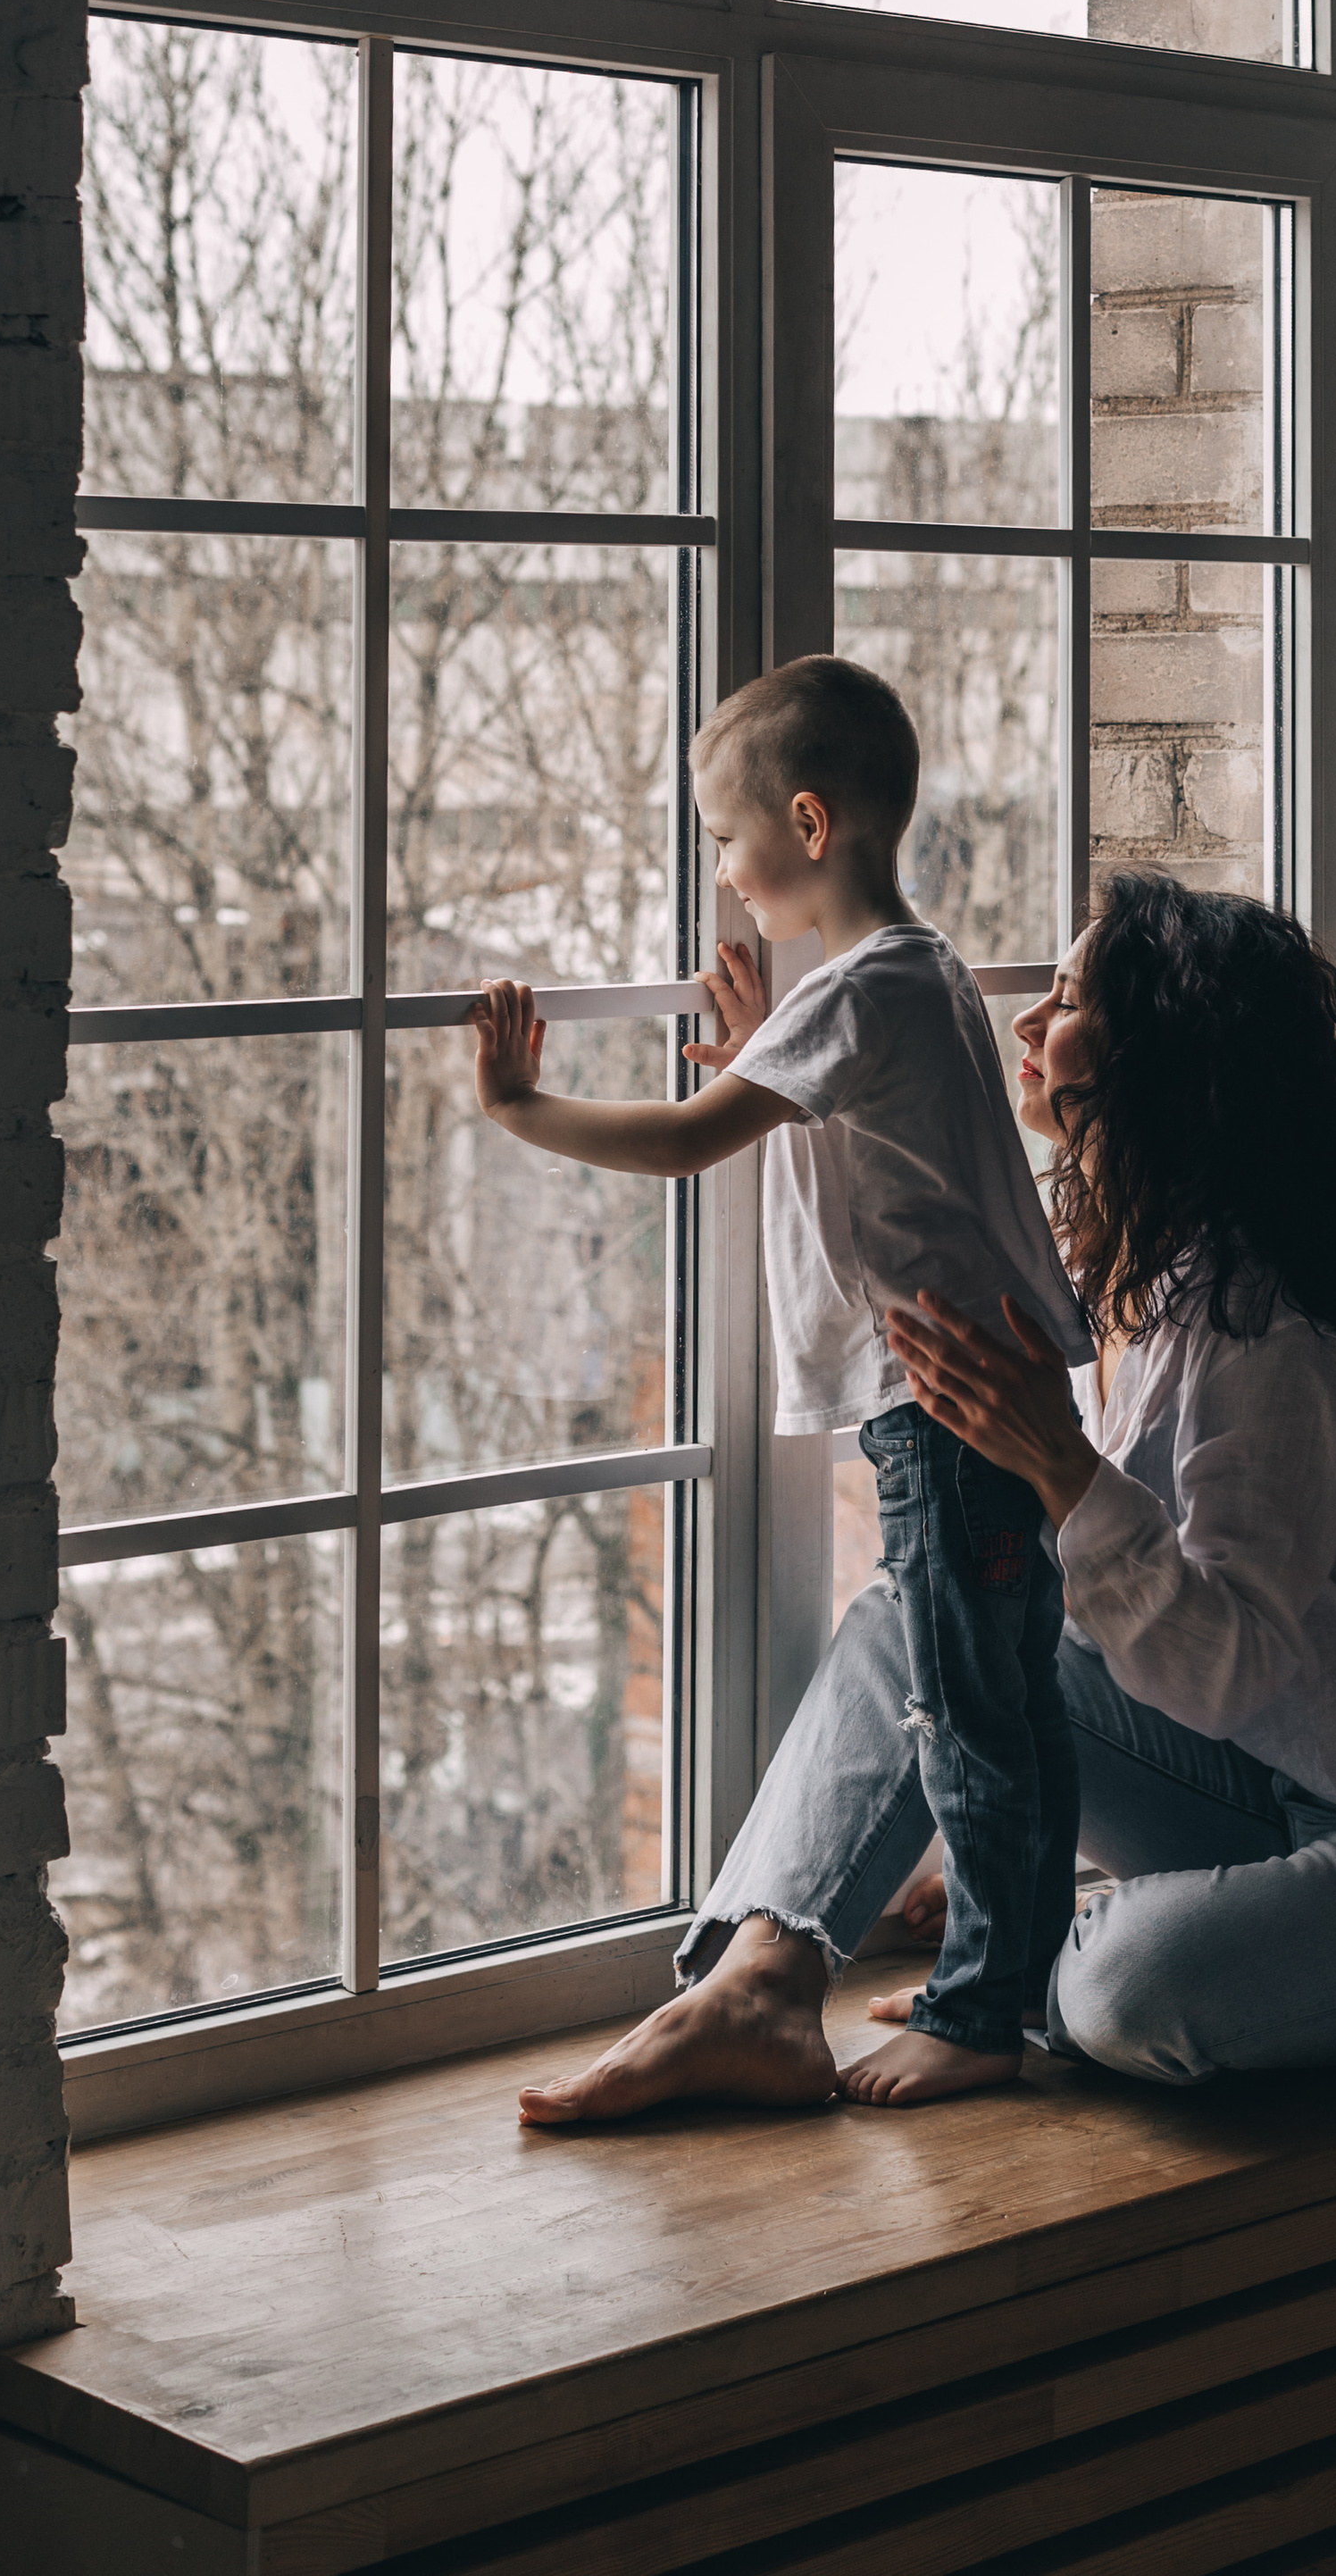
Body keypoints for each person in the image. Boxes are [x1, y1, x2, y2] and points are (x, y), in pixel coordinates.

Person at [512, 873, 1336, 2122]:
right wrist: (791, 1090)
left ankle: (1014, 1960)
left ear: (1166, 1057)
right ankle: (759, 1980)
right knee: (922, 1600)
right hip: (1257, 1790)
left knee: (1128, 1992)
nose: (1027, 1025)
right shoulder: (1137, 1269)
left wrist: (1061, 1469)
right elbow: (903, 1210)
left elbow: (1226, 1660)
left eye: (1068, 1001)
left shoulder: (1268, 1324)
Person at [471, 655, 1093, 2110]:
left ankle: (981, 2013)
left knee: (965, 1713)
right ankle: (1017, 1986)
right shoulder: (923, 971)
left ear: (808, 828)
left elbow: (693, 1139)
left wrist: (519, 1107)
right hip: (997, 1406)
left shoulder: (858, 992)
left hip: (938, 1419)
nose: (723, 871)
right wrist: (765, 1034)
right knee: (1013, 1704)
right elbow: (864, 1128)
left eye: (725, 840)